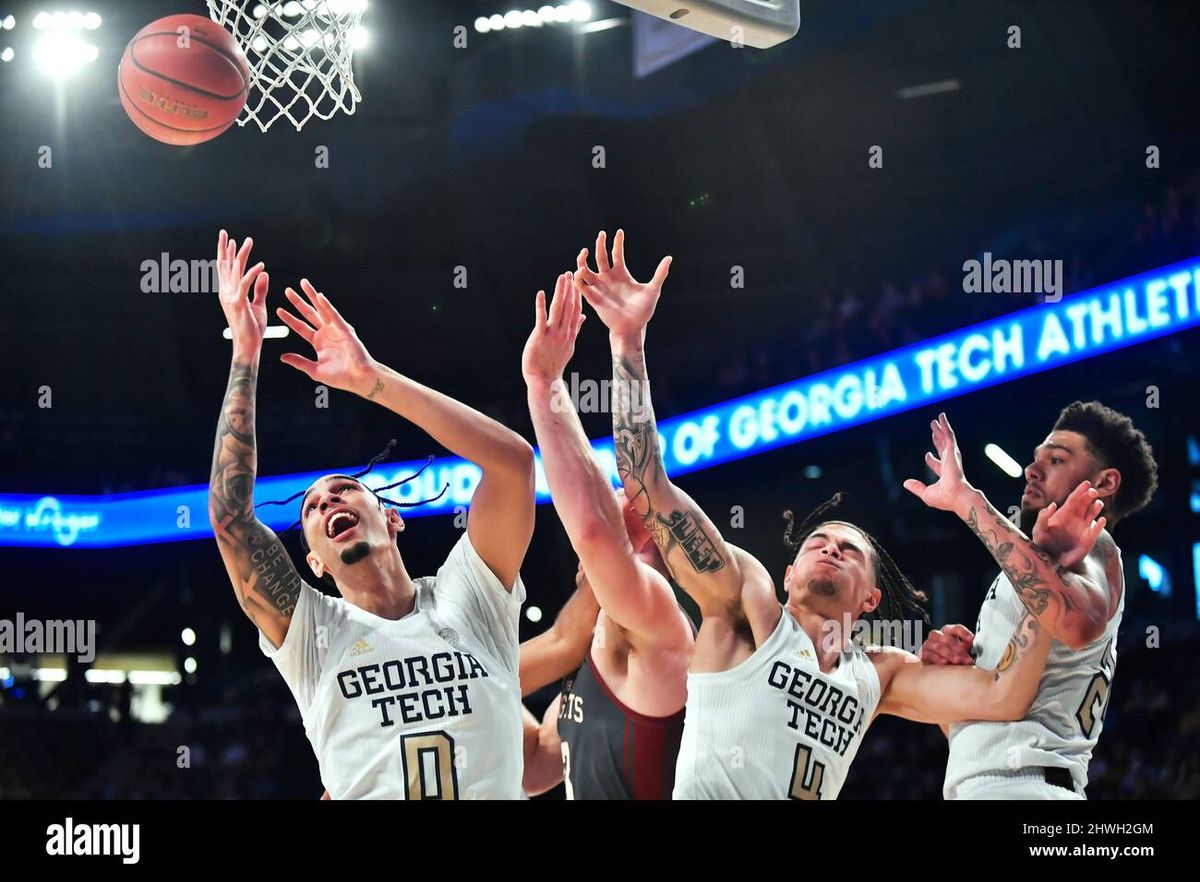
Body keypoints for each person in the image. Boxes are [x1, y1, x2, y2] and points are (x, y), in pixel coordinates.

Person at [576, 229, 1051, 799]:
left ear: (871, 598)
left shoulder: (880, 674)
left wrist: (1048, 568)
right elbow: (646, 485)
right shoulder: (745, 609)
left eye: (849, 551)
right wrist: (628, 343)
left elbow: (1004, 696)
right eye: (816, 544)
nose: (829, 548)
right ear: (787, 576)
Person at [208, 230, 535, 799]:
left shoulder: (470, 595)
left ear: (393, 517)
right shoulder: (313, 632)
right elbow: (232, 515)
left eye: (344, 489)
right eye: (311, 507)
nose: (328, 500)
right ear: (311, 560)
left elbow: (512, 465)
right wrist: (245, 350)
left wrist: (372, 381)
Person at [912, 404, 1157, 799]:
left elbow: (1078, 623)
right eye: (1035, 459)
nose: (1032, 469)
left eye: (1057, 459)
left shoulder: (1093, 546)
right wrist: (958, 671)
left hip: (1025, 783)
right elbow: (983, 728)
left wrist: (964, 498)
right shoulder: (1037, 566)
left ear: (1106, 482)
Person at [519, 273, 694, 798]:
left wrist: (546, 385)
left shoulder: (657, 624)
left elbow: (595, 532)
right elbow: (530, 767)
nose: (593, 504)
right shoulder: (595, 656)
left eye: (618, 498)